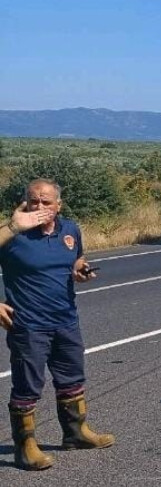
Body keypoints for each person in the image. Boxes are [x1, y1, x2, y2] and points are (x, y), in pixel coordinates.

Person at [1, 179, 114, 471]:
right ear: (24, 202)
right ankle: (25, 448)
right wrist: (15, 225)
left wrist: (80, 269)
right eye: (34, 201)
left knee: (72, 378)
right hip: (28, 324)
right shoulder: (11, 233)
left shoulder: (70, 229)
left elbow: (76, 258)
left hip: (65, 319)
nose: (39, 207)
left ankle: (75, 433)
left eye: (46, 202)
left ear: (58, 205)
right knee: (28, 386)